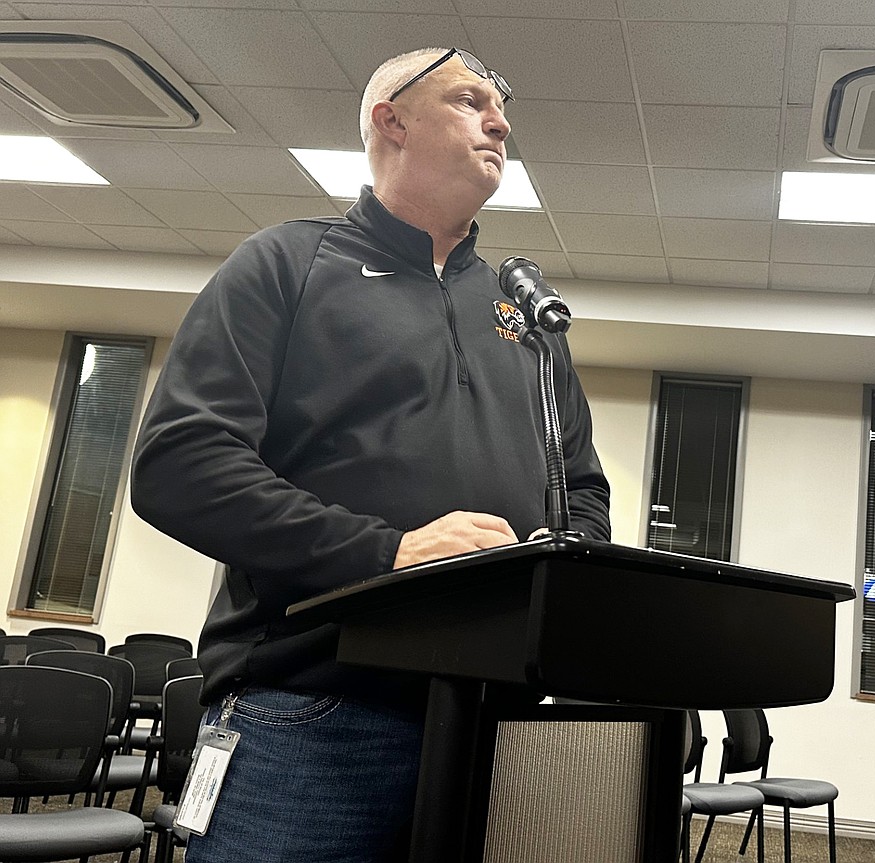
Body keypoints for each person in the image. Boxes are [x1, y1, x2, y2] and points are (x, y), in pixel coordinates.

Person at [130, 46, 610, 862]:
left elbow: (586, 494)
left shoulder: (524, 316)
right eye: (469, 102)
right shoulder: (286, 264)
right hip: (313, 714)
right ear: (391, 120)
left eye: (502, 112)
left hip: (494, 720)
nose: (500, 123)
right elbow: (181, 462)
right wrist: (389, 553)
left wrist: (555, 576)